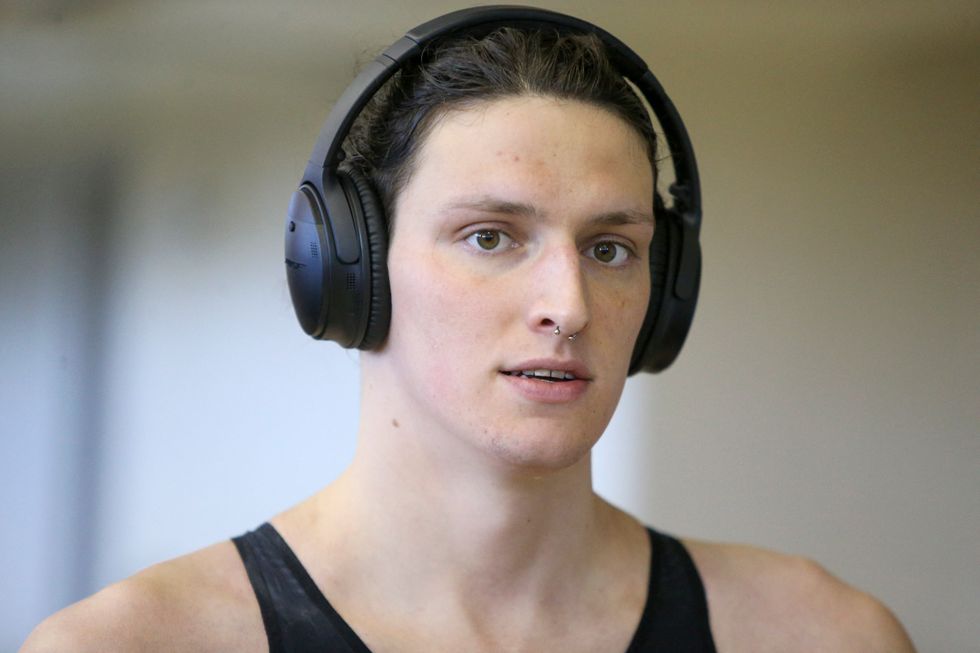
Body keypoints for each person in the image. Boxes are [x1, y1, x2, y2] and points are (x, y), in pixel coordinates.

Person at [22, 8, 915, 653]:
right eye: (490, 237)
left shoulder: (819, 634)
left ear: (666, 286)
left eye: (611, 248)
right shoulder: (135, 644)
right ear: (350, 271)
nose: (567, 304)